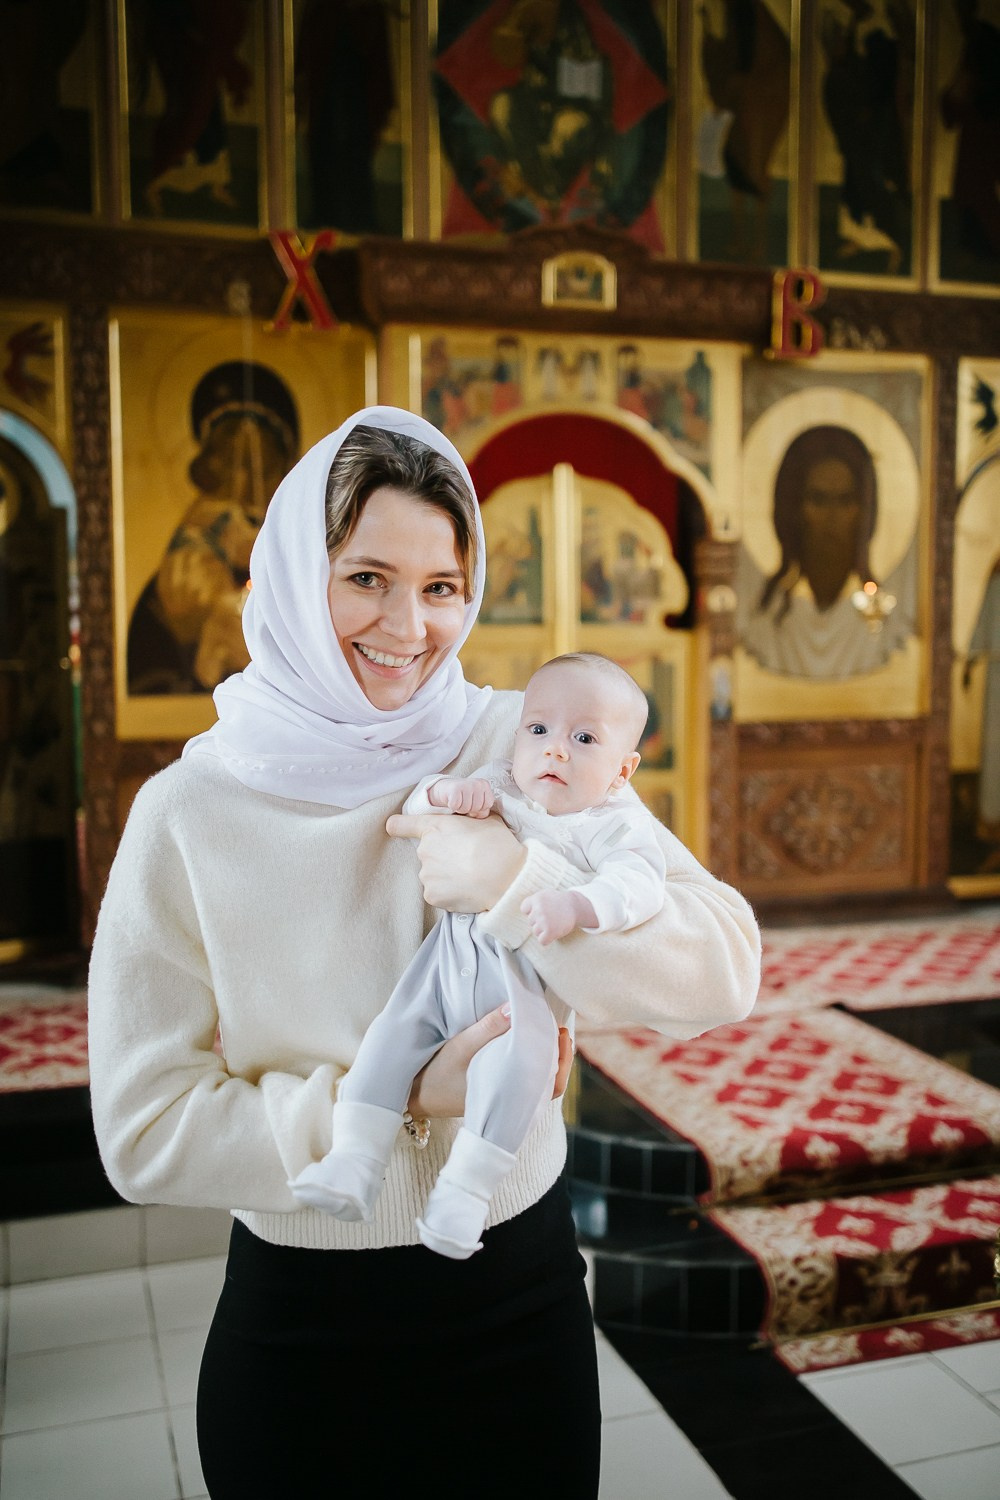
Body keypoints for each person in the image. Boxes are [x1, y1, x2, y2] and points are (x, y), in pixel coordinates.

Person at [88, 406, 761, 1498]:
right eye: (366, 578)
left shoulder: (524, 741)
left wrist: (515, 883)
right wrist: (398, 1101)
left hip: (518, 1295)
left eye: (442, 586)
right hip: (304, 1327)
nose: (409, 625)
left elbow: (723, 962)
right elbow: (143, 1128)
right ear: (294, 574)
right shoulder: (188, 813)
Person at [291, 652, 666, 1258]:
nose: (555, 751)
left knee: (514, 1071)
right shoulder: (501, 781)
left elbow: (641, 885)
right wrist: (445, 790)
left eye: (584, 738)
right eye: (538, 730)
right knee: (390, 1039)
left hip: (518, 985)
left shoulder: (610, 821)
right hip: (444, 961)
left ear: (623, 769)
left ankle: (464, 1196)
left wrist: (578, 907)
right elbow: (414, 809)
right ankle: (352, 1163)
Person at [738, 423, 912, 678]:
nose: (832, 517)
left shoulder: (886, 625)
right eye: (818, 500)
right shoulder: (767, 621)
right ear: (795, 508)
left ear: (863, 511)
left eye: (845, 501)